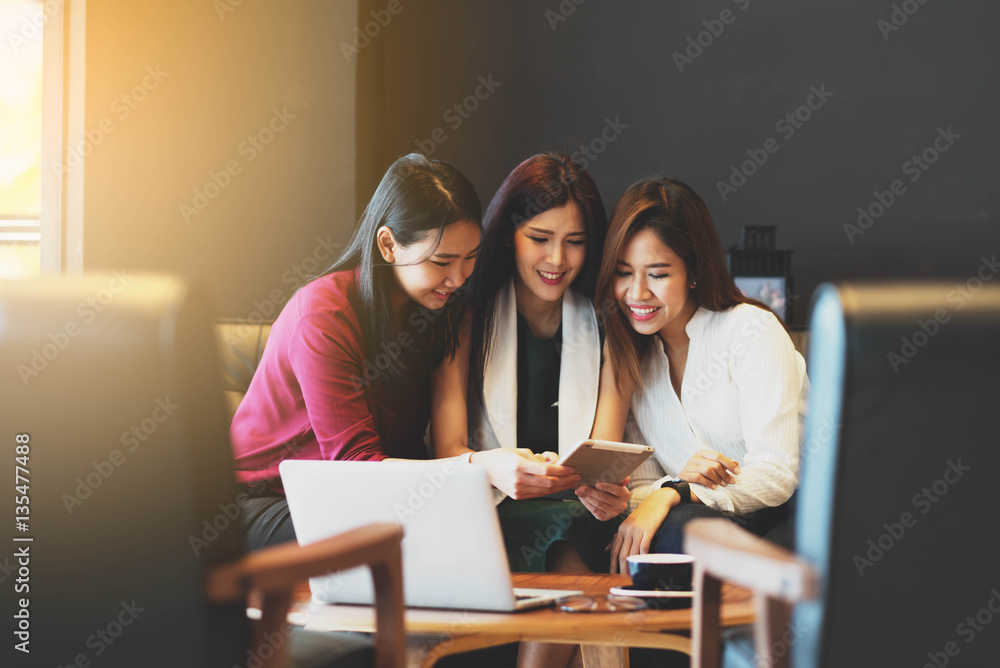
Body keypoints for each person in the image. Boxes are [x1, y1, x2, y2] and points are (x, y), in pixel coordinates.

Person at [230, 153, 482, 550]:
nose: (458, 278)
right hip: (263, 501)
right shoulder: (322, 315)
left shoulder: (440, 311)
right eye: (442, 261)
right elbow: (357, 467)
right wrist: (480, 467)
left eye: (470, 258)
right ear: (388, 245)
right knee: (398, 537)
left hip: (355, 496)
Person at [432, 153, 624, 668]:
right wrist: (500, 468)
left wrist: (605, 486)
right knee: (569, 556)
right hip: (487, 502)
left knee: (574, 544)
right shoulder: (466, 319)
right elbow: (447, 449)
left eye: (576, 242)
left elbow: (602, 458)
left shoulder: (608, 326)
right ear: (508, 235)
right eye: (540, 238)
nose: (557, 259)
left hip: (572, 510)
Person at [591, 176, 808, 575]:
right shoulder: (633, 357)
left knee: (677, 530)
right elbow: (638, 488)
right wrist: (671, 489)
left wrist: (679, 491)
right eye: (624, 273)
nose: (636, 294)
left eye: (657, 274)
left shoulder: (751, 330)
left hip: (789, 516)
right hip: (710, 529)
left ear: (693, 271)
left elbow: (776, 477)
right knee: (667, 533)